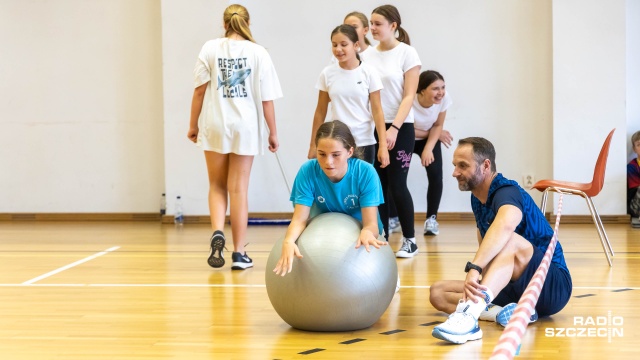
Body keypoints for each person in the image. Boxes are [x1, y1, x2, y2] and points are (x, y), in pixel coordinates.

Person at [429, 137, 572, 344]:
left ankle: (469, 318)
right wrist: (480, 277)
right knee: (438, 293)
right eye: (454, 165)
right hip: (514, 289)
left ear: (485, 165)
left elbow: (506, 225)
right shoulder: (476, 198)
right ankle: (504, 313)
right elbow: (487, 246)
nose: (455, 172)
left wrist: (474, 269)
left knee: (510, 240)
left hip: (550, 285)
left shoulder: (506, 192)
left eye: (463, 165)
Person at [188, 4, 282, 270]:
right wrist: (273, 133)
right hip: (246, 127)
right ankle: (240, 253)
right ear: (247, 22)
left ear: (224, 23)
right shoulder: (259, 52)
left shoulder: (210, 48)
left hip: (215, 123)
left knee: (217, 185)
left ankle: (218, 231)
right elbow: (267, 100)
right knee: (238, 188)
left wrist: (192, 125)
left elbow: (198, 92)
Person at [274, 120, 386, 276]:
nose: (328, 162)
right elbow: (299, 220)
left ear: (350, 152)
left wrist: (367, 232)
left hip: (361, 235)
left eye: (336, 155)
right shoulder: (307, 171)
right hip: (321, 237)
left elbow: (371, 224)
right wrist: (288, 241)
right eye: (322, 154)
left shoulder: (365, 172)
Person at [366, 5, 422, 258]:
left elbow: (409, 95)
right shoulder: (367, 55)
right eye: (371, 23)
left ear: (393, 26)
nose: (373, 28)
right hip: (374, 127)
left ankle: (410, 240)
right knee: (378, 185)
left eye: (378, 23)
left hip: (401, 128)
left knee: (398, 184)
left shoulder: (407, 53)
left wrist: (394, 128)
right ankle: (383, 238)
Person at [308, 25, 389, 167]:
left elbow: (377, 111)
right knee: (338, 187)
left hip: (364, 142)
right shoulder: (327, 74)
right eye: (334, 45)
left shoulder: (369, 72)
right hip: (337, 144)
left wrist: (383, 146)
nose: (338, 49)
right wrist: (313, 145)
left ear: (356, 45)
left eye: (343, 44)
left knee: (361, 187)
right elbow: (320, 111)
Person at [412, 70, 452, 237]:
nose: (440, 92)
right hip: (406, 137)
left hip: (430, 137)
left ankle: (431, 219)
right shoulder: (409, 99)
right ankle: (393, 217)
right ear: (421, 91)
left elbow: (437, 126)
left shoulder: (444, 99)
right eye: (435, 88)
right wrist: (434, 134)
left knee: (436, 176)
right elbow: (407, 129)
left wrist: (428, 148)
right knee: (396, 177)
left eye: (442, 87)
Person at [628, 131, 640, 227]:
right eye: (639, 145)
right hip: (636, 206)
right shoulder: (632, 167)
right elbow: (636, 189)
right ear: (634, 149)